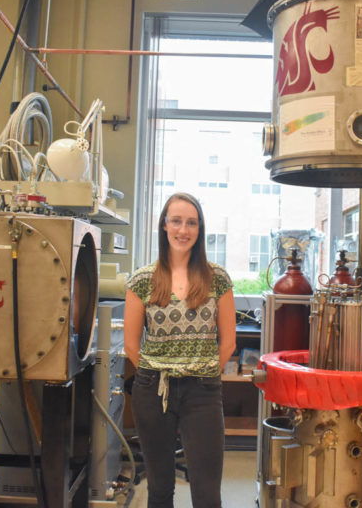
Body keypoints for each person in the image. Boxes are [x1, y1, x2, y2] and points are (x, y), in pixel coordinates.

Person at [124, 192, 236, 508]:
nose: (183, 230)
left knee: (207, 492)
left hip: (202, 392)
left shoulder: (218, 279)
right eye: (176, 221)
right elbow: (132, 346)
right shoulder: (142, 280)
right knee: (159, 489)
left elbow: (228, 343)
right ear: (164, 225)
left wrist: (202, 371)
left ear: (199, 230)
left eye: (191, 223)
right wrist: (158, 368)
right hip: (152, 390)